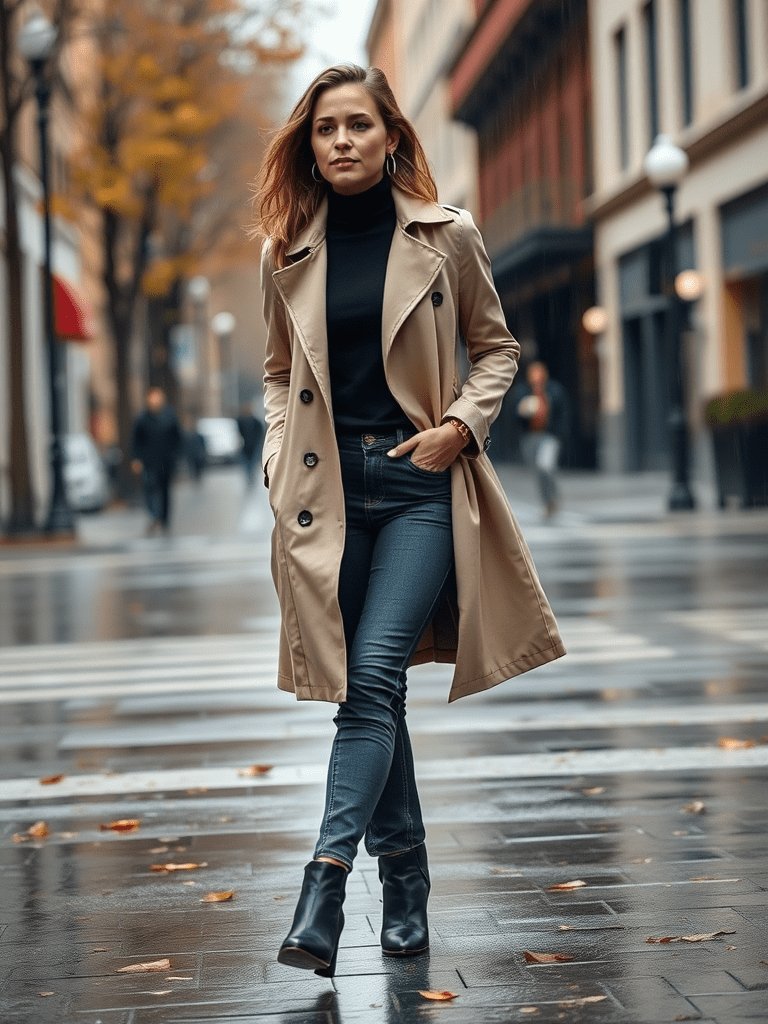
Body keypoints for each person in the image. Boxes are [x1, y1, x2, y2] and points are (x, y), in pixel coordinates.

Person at [254, 63, 565, 978]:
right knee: (372, 695)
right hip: (326, 498)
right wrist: (277, 459)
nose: (341, 141)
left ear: (392, 137)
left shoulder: (446, 235)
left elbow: (496, 347)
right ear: (308, 145)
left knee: (375, 674)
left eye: (358, 125)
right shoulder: (284, 250)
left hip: (419, 483)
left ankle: (324, 884)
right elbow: (278, 374)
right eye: (324, 129)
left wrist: (459, 428)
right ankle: (409, 884)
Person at [514, 361, 570, 518]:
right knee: (538, 471)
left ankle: (554, 495)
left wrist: (560, 434)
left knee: (545, 465)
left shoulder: (554, 390)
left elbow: (562, 413)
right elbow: (513, 415)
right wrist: (522, 411)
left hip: (549, 436)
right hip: (530, 436)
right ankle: (547, 502)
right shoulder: (523, 392)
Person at [131, 387, 182, 534]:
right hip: (149, 461)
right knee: (150, 490)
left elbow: (177, 438)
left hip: (166, 461)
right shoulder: (142, 418)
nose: (155, 400)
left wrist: (175, 456)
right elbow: (136, 440)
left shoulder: (170, 417)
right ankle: (154, 516)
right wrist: (136, 458)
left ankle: (164, 520)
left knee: (165, 492)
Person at [236, 405, 265, 486]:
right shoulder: (241, 421)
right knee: (246, 465)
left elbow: (260, 433)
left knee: (252, 464)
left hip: (254, 446)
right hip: (245, 447)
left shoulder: (256, 422)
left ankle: (251, 478)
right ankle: (249, 478)